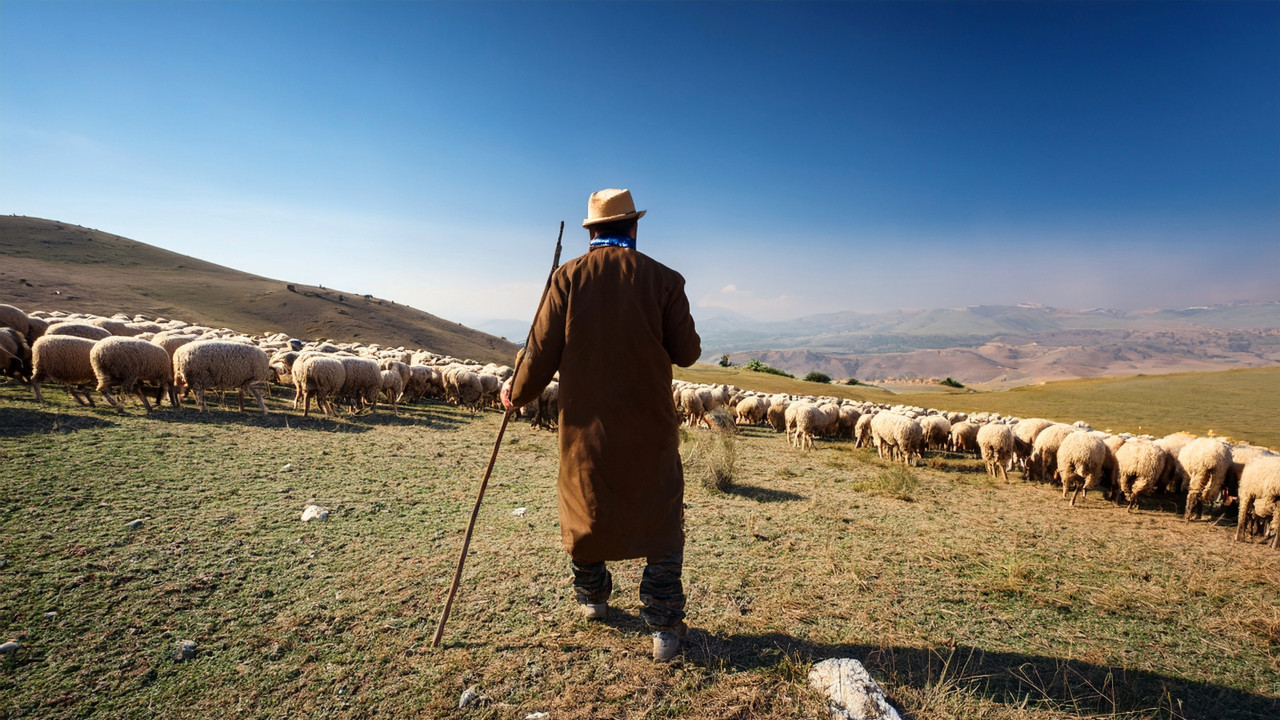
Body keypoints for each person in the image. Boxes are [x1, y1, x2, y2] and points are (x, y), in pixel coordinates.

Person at [501, 188, 701, 661]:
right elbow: (689, 353)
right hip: (649, 430)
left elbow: (539, 352)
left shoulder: (566, 278)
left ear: (592, 231)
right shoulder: (665, 280)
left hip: (584, 432)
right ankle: (664, 628)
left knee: (584, 509)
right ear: (634, 226)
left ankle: (592, 598)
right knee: (660, 520)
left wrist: (516, 391)